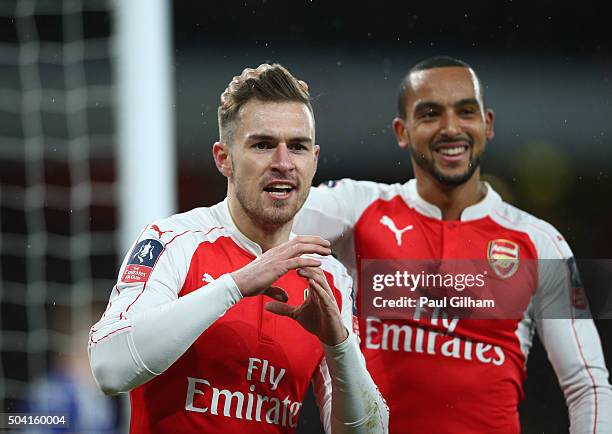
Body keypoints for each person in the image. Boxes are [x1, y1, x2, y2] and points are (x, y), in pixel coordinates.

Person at [293, 56, 612, 433]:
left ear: (487, 124)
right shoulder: (359, 208)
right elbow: (264, 216)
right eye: (430, 114)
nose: (450, 128)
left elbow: (587, 385)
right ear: (402, 131)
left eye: (465, 111)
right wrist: (265, 106)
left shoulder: (539, 242)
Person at [88, 64, 388, 434]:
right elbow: (108, 367)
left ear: (314, 161)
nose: (283, 163)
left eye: (297, 147)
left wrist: (338, 345)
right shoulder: (174, 241)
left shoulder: (329, 279)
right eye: (263, 145)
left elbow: (369, 431)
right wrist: (236, 286)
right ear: (223, 158)